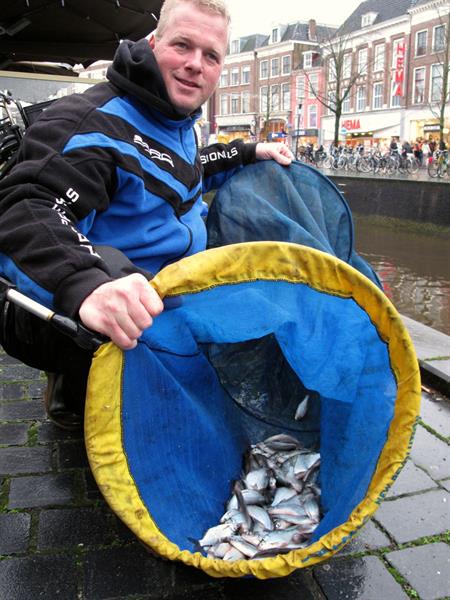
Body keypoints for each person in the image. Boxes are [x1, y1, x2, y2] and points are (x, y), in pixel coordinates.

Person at [0, 0, 293, 429]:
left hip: (171, 294)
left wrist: (246, 153)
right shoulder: (89, 122)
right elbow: (26, 205)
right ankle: (74, 389)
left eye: (211, 55)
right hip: (100, 308)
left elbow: (185, 173)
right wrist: (84, 284)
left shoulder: (177, 121)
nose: (195, 64)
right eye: (182, 45)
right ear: (153, 43)